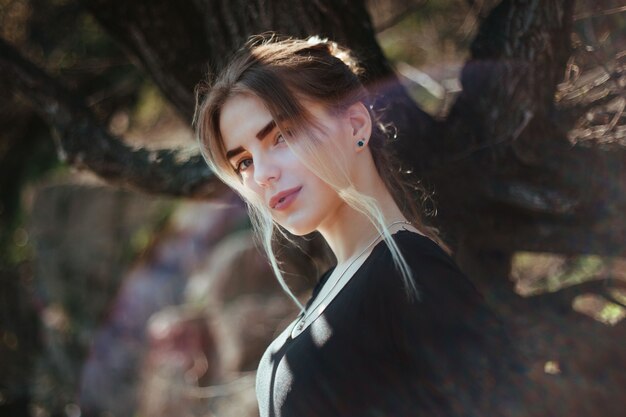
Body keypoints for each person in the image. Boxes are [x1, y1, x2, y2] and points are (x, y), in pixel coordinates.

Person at [194, 33, 530, 417]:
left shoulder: (410, 272)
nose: (261, 176)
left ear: (355, 125)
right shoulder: (333, 291)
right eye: (244, 163)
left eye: (281, 136)